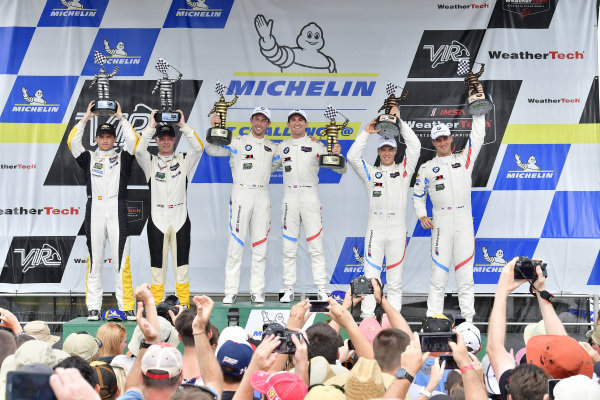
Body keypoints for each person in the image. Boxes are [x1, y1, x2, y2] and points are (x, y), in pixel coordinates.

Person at [347, 106, 421, 317]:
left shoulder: (404, 171)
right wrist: (366, 133)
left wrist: (400, 122)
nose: (387, 153)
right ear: (378, 152)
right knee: (370, 277)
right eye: (383, 150)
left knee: (396, 279)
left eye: (390, 149)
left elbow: (415, 146)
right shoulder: (371, 173)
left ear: (396, 152)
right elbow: (352, 157)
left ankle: (393, 318)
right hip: (375, 229)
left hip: (397, 229)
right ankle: (368, 317)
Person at [413, 108, 486, 322]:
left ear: (451, 139)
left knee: (466, 277)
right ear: (433, 143)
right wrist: (421, 215)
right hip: (441, 225)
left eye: (445, 138)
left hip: (464, 222)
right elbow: (417, 196)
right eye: (438, 140)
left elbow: (477, 137)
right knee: (438, 277)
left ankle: (469, 321)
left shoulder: (464, 159)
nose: (442, 142)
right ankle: (433, 320)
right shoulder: (426, 168)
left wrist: (478, 113)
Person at [68, 100, 137, 320]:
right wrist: (86, 117)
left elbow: (134, 141)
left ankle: (126, 306)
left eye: (109, 137)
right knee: (94, 261)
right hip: (95, 209)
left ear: (114, 139)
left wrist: (121, 118)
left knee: (121, 260)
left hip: (117, 208)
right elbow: (72, 142)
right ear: (96, 139)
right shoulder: (89, 157)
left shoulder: (123, 157)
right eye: (102, 137)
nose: (106, 140)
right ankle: (94, 307)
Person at [206, 107, 280, 304]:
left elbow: (289, 156)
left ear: (268, 124)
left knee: (260, 246)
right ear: (251, 120)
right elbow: (212, 149)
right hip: (241, 193)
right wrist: (214, 128)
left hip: (262, 195)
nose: (259, 123)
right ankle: (230, 291)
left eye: (263, 120)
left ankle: (257, 291)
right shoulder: (237, 141)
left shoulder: (274, 147)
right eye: (257, 119)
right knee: (235, 246)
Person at [135, 110, 204, 307]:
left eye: (169, 139)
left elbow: (198, 148)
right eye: (161, 138)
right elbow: (139, 151)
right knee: (157, 266)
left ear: (174, 140)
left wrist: (184, 126)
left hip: (180, 217)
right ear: (156, 141)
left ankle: (183, 304)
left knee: (182, 265)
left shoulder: (183, 160)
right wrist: (150, 127)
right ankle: (157, 305)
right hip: (157, 218)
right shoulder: (150, 162)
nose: (165, 142)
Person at [275, 109, 344, 302]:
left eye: (300, 120)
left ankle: (321, 288)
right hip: (289, 198)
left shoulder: (317, 145)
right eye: (293, 120)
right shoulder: (281, 147)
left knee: (316, 246)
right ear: (288, 125)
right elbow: (266, 166)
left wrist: (336, 155)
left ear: (306, 124)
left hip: (310, 196)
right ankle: (288, 288)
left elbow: (340, 169)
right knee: (289, 247)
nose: (297, 123)